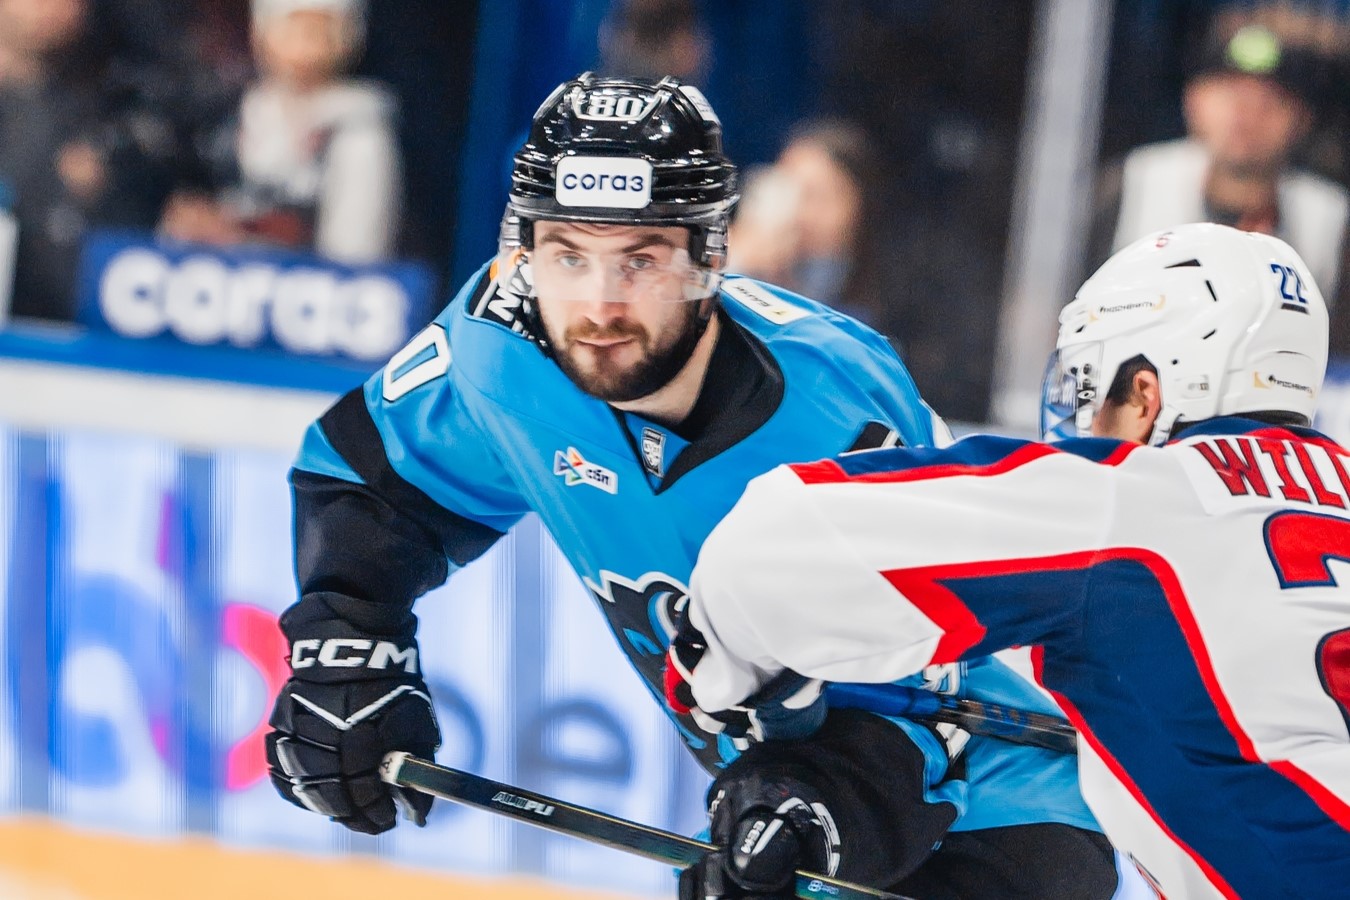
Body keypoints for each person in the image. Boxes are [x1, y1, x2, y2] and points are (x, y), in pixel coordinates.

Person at [263, 73, 1123, 898]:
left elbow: (925, 701)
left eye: (640, 259)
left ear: (709, 256)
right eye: (568, 254)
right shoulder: (503, 346)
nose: (599, 305)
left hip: (998, 802)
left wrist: (806, 804)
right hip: (793, 781)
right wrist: (350, 644)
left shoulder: (835, 413)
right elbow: (376, 483)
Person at [670, 222, 1350, 898]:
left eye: (1090, 389)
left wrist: (721, 671)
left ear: (1147, 394)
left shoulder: (1131, 499)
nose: (1085, 421)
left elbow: (776, 546)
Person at [1089, 18, 1350, 320]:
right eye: (1230, 93)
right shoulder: (1132, 183)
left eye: (1271, 99)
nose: (1247, 114)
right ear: (1193, 100)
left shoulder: (1331, 220)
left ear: (1302, 119)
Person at [159, 0, 401, 264]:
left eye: (321, 30)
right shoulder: (232, 114)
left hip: (307, 279)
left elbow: (355, 255)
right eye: (293, 28)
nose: (306, 45)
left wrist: (239, 241)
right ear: (262, 32)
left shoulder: (356, 130)